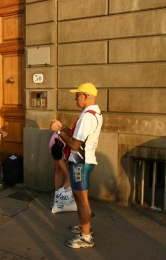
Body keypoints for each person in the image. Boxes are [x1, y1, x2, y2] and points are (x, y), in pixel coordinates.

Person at [50, 82, 102, 249]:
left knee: (82, 201)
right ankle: (85, 227)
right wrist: (63, 127)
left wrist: (58, 131)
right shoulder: (94, 113)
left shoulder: (87, 117)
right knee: (82, 199)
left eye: (77, 94)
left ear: (86, 96)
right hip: (84, 161)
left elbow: (74, 144)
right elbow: (78, 137)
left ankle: (86, 238)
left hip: (79, 163)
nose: (75, 98)